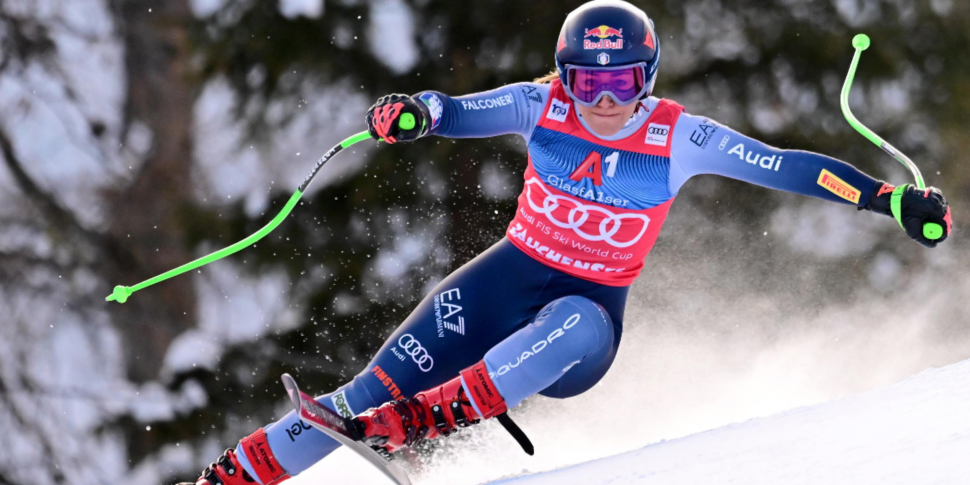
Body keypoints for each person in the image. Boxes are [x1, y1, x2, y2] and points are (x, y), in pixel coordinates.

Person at [181, 1, 952, 483]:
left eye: (621, 86)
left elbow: (787, 167)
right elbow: (451, 110)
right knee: (351, 401)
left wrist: (888, 199)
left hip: (586, 318)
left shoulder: (678, 135)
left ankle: (424, 421)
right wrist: (408, 112)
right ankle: (229, 479)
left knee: (570, 325)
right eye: (588, 84)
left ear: (646, 81)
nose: (604, 103)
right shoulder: (539, 105)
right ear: (564, 78)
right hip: (502, 281)